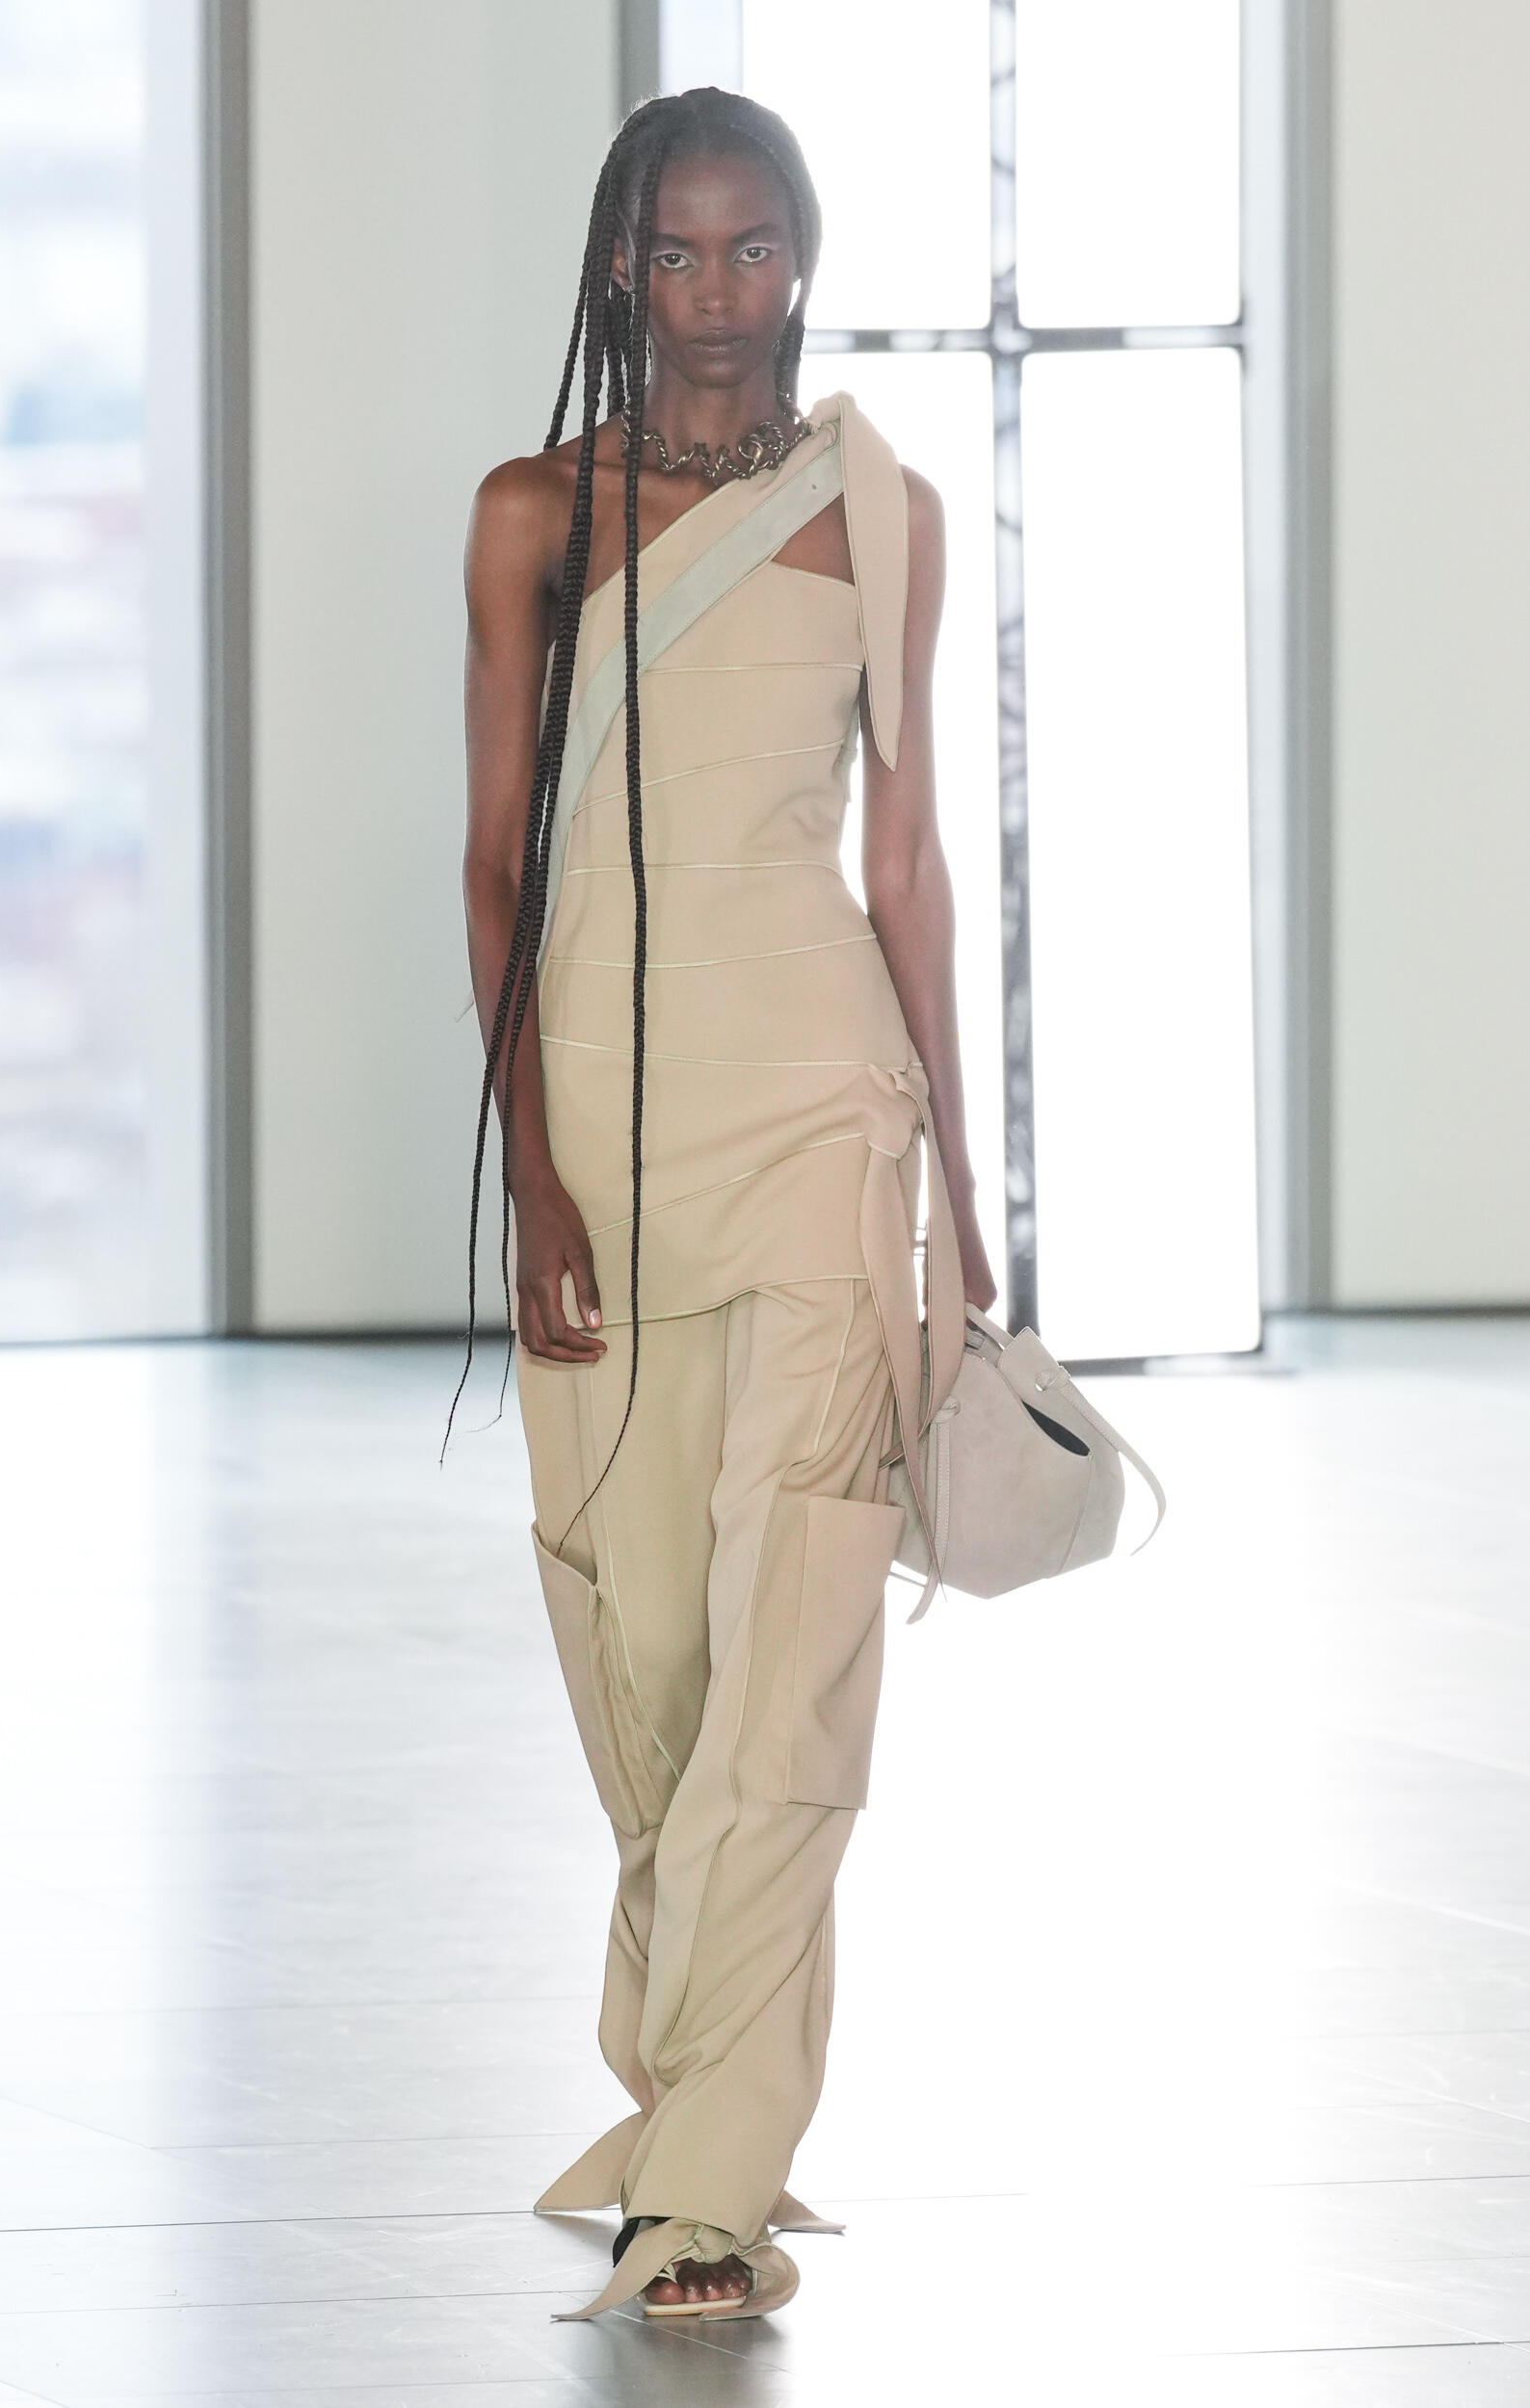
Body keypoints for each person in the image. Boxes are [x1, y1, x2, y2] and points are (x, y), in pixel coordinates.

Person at [458, 86, 997, 2323]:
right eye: (673, 254)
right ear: (617, 267)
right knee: (653, 1654)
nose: (714, 294)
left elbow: (906, 857)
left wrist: (964, 1180)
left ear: (804, 258)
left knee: (793, 1655)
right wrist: (531, 1171)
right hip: (603, 1123)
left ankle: (710, 2187)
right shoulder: (531, 515)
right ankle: (685, 2085)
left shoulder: (884, 511)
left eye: (751, 248)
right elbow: (495, 862)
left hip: (822, 1123)